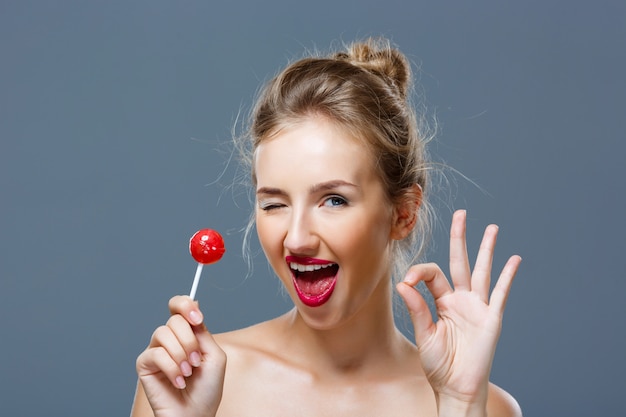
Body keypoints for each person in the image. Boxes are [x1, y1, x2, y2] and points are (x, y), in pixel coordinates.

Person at [131, 38, 522, 417]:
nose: (297, 238)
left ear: (403, 214)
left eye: (333, 200)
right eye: (274, 204)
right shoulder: (185, 383)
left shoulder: (485, 407)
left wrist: (461, 405)